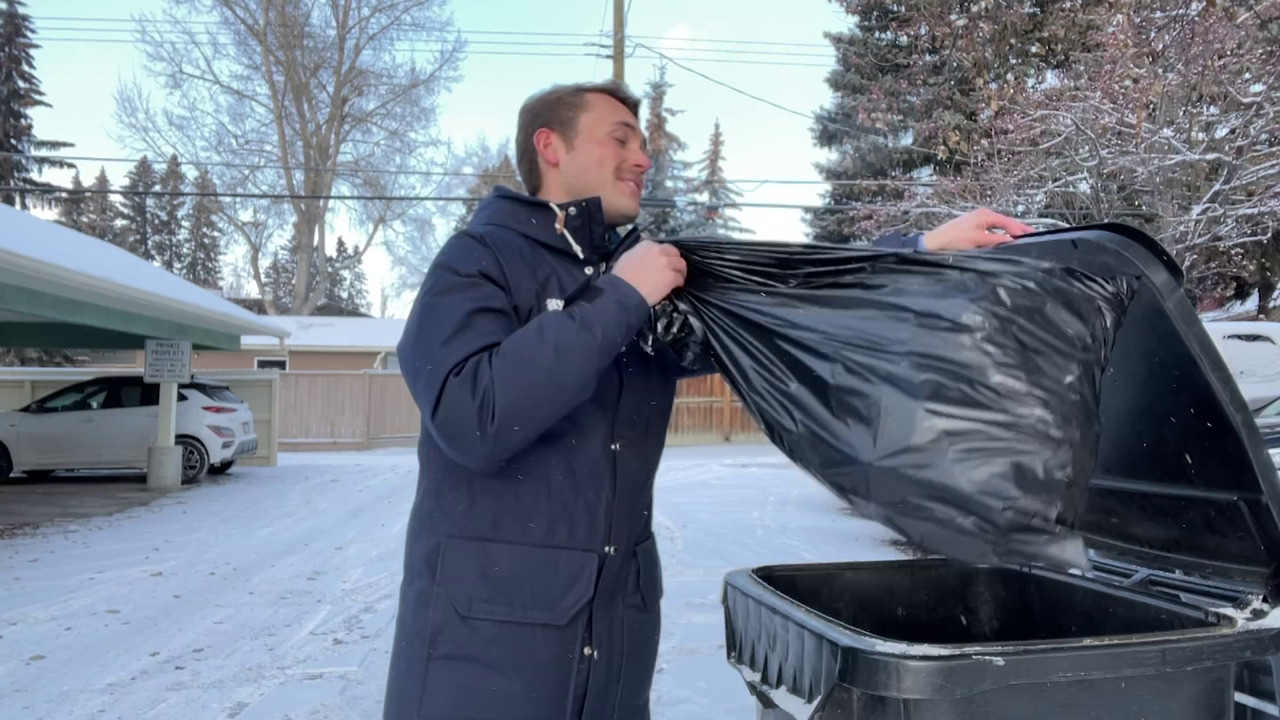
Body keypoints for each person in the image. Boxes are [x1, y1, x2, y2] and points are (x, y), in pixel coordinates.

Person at [382, 80, 1036, 720]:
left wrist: (918, 252)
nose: (644, 157)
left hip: (611, 649)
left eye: (643, 143)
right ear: (550, 146)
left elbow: (778, 300)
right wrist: (620, 299)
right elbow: (473, 417)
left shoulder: (637, 276)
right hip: (486, 662)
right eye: (621, 138)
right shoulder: (479, 261)